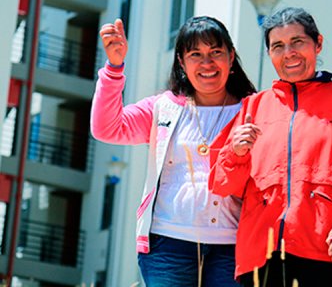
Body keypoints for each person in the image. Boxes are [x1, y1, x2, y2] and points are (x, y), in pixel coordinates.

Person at [209, 7, 332, 287]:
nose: (288, 52)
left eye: (297, 42)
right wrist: (236, 153)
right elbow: (222, 183)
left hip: (331, 252)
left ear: (318, 44)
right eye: (278, 46)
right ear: (269, 54)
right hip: (259, 256)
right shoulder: (253, 106)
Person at [91, 16, 256, 286]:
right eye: (195, 54)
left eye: (216, 52)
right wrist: (114, 68)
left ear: (231, 56)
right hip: (167, 244)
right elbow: (106, 128)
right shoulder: (163, 108)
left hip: (233, 247)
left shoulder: (254, 110)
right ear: (181, 61)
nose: (207, 63)